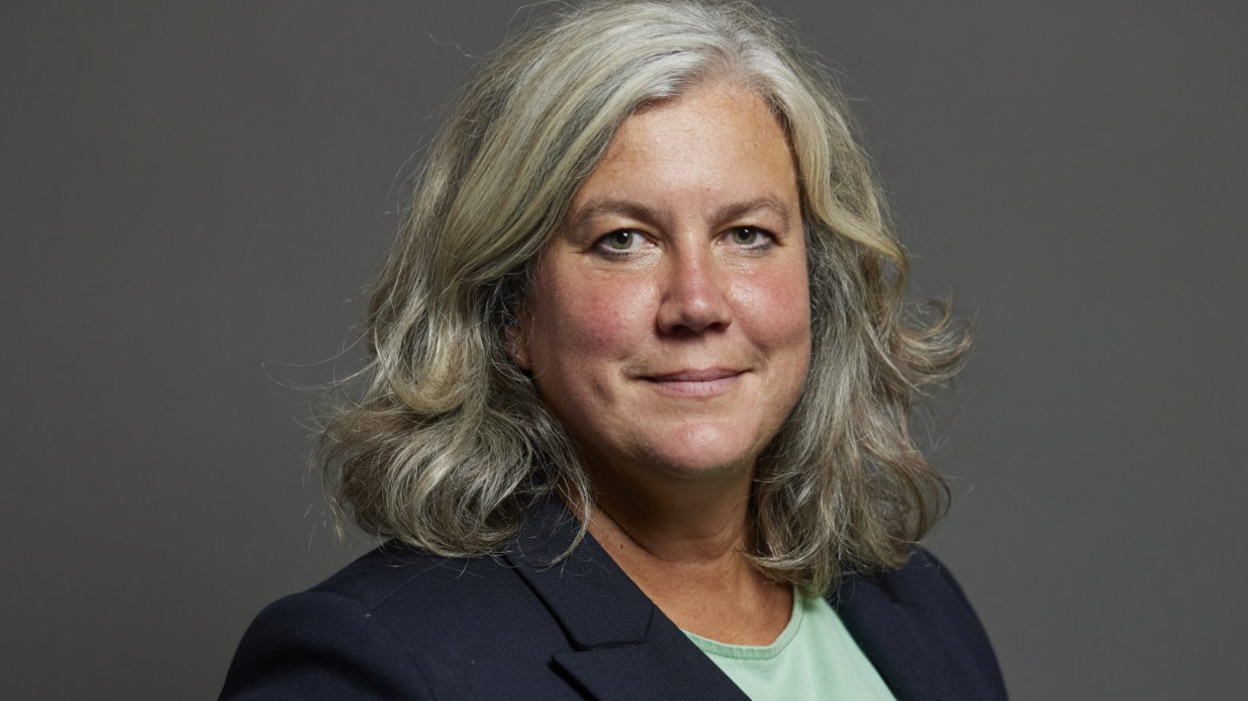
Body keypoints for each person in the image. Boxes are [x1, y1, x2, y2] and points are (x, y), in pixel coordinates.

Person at [220, 1, 1006, 699]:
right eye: (623, 240)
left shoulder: (918, 609)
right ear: (510, 310)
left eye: (747, 234)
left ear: (815, 285)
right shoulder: (373, 664)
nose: (697, 302)